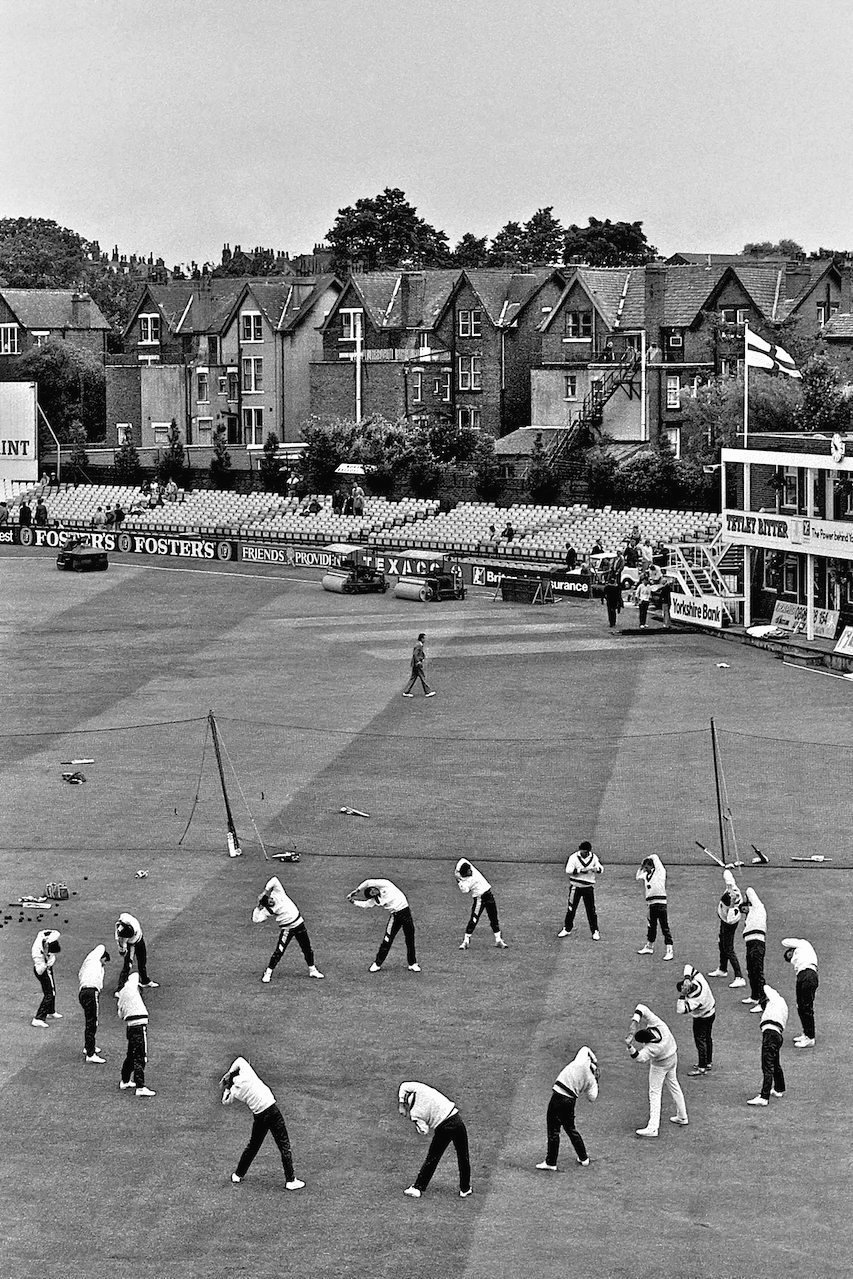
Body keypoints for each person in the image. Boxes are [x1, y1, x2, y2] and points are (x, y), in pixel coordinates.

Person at [221, 1057, 305, 1190]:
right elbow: (240, 1060)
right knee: (284, 1145)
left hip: (259, 1115)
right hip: (272, 1111)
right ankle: (290, 1180)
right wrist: (229, 1072)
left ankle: (238, 1174)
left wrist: (227, 1087)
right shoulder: (247, 1073)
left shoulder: (236, 1091)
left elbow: (225, 1101)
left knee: (253, 1146)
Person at [398, 1081, 471, 1198]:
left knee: (433, 1157)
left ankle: (417, 1187)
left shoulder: (415, 1113)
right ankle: (465, 1188)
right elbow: (404, 1086)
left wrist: (414, 1121)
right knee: (463, 1156)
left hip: (444, 1127)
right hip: (456, 1119)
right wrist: (401, 1103)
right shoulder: (420, 1089)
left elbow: (424, 1131)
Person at [626, 1003, 688, 1137]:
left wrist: (630, 1047)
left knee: (654, 1092)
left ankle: (653, 1128)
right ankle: (682, 1116)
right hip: (673, 1057)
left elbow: (640, 1058)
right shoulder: (658, 1024)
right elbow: (641, 1007)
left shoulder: (652, 1048)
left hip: (661, 1064)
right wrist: (634, 1024)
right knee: (674, 1084)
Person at [536, 1046, 599, 1171]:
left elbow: (585, 1048)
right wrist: (595, 1082)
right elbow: (592, 1098)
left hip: (559, 1096)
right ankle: (583, 1158)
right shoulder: (592, 1080)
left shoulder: (582, 1060)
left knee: (553, 1130)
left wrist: (595, 1059)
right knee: (570, 1129)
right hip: (570, 1101)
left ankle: (551, 1162)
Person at [252, 876, 324, 983]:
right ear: (266, 905)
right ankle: (268, 973)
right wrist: (258, 907)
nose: (272, 902)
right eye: (269, 903)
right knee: (279, 951)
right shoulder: (268, 910)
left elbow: (274, 879)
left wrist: (265, 891)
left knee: (307, 948)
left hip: (299, 924)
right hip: (287, 929)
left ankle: (312, 969)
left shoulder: (277, 893)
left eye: (270, 899)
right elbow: (256, 919)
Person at [347, 878, 420, 972]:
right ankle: (377, 963)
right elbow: (366, 904)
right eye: (372, 893)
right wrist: (353, 902)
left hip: (406, 913)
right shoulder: (376, 900)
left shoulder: (385, 884)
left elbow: (368, 882)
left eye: (373, 889)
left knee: (410, 939)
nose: (374, 891)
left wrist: (357, 891)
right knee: (387, 940)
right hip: (395, 916)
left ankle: (412, 963)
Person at [747, 983, 788, 1106]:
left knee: (767, 1065)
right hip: (777, 1035)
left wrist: (761, 987)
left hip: (770, 1035)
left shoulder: (775, 999)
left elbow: (765, 987)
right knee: (775, 1063)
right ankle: (779, 1088)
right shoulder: (782, 1006)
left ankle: (764, 1097)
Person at [455, 859, 507, 950]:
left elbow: (462, 860)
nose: (471, 871)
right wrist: (458, 879)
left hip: (489, 894)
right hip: (479, 899)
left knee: (493, 917)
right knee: (474, 919)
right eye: (468, 872)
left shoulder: (468, 867)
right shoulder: (465, 881)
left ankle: (498, 940)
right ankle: (466, 941)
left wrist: (456, 872)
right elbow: (465, 890)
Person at [117, 973, 155, 1097]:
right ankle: (140, 1086)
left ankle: (125, 1080)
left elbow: (120, 1014)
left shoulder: (122, 994)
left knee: (131, 1055)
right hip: (139, 1026)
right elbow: (135, 975)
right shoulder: (131, 988)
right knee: (140, 1056)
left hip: (131, 1027)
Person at [708, 868, 746, 988]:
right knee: (721, 942)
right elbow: (727, 873)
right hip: (723, 920)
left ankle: (739, 977)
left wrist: (729, 908)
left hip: (729, 924)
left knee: (728, 947)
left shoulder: (732, 912)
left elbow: (729, 920)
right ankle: (722, 969)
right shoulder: (731, 889)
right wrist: (729, 885)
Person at [676, 963, 716, 1075]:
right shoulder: (699, 980)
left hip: (702, 1018)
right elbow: (688, 966)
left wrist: (682, 995)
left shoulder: (696, 999)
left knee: (700, 1040)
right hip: (711, 1012)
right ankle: (708, 1062)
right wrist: (687, 978)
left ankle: (702, 1067)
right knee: (707, 1037)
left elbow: (680, 1010)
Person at [558, 840, 603, 940]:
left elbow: (600, 868)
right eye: (583, 851)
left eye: (586, 852)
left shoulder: (593, 857)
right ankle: (567, 928)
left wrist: (596, 869)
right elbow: (568, 870)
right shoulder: (573, 857)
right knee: (571, 909)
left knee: (591, 910)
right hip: (576, 887)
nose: (584, 853)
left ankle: (595, 930)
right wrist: (580, 870)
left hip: (588, 888)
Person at [780, 936, 819, 1047]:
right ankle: (806, 1033)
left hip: (809, 974)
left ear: (792, 949)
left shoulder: (803, 944)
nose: (790, 956)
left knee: (806, 1007)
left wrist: (792, 946)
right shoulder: (798, 958)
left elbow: (784, 941)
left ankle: (810, 1038)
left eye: (789, 954)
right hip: (802, 976)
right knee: (800, 1006)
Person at [636, 854, 674, 960]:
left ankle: (669, 950)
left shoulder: (660, 873)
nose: (645, 869)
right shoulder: (645, 875)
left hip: (661, 903)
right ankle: (649, 946)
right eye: (644, 867)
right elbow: (637, 876)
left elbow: (655, 857)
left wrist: (648, 858)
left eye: (647, 867)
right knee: (651, 926)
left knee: (664, 927)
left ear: (652, 866)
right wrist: (641, 866)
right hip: (651, 904)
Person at [78, 944, 110, 1062]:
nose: (104, 963)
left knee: (90, 1021)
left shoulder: (88, 966)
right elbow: (101, 947)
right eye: (104, 960)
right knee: (92, 1022)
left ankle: (89, 1047)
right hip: (91, 993)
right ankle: (90, 1054)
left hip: (83, 993)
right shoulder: (94, 960)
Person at [114, 912, 158, 991]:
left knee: (142, 960)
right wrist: (123, 950)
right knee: (128, 965)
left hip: (140, 939)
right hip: (130, 945)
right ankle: (120, 988)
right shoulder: (121, 936)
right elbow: (121, 945)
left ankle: (145, 981)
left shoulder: (132, 924)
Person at [740, 888, 767, 1011]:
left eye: (744, 908)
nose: (743, 910)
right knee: (751, 970)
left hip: (757, 944)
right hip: (750, 944)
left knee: (757, 972)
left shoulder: (758, 908)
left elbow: (750, 891)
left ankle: (763, 1002)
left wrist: (746, 895)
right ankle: (755, 996)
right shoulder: (749, 916)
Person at [31, 929, 62, 1027]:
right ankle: (38, 1018)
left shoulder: (43, 938)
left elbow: (54, 933)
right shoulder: (38, 955)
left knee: (52, 991)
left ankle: (50, 1011)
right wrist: (46, 962)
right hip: (42, 971)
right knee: (49, 993)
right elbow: (40, 971)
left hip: (47, 968)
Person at [403, 632, 436, 698]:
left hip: (415, 664)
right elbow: (415, 654)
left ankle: (406, 691)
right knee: (422, 677)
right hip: (417, 665)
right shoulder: (418, 645)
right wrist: (418, 661)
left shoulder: (419, 645)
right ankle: (427, 692)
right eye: (424, 638)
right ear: (421, 638)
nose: (425, 640)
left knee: (413, 678)